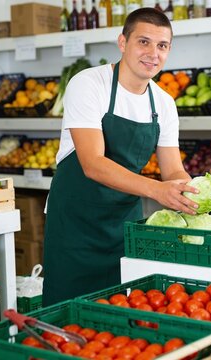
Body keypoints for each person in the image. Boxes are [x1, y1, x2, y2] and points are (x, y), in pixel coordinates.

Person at [42, 8, 199, 306]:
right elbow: (92, 164)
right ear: (123, 43)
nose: (153, 53)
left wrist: (193, 194)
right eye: (143, 42)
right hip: (75, 226)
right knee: (67, 313)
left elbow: (173, 169)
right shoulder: (88, 84)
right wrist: (157, 190)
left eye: (162, 46)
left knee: (118, 318)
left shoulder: (163, 103)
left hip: (123, 227)